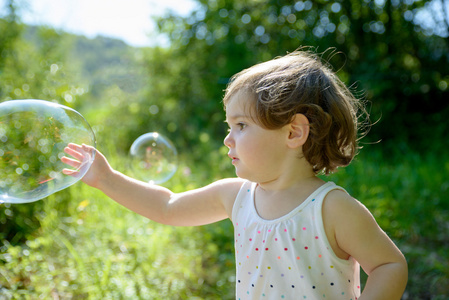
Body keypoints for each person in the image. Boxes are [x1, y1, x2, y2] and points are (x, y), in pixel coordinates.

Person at [62, 49, 408, 299]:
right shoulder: (236, 195)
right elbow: (167, 206)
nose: (227, 138)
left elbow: (389, 265)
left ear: (293, 133)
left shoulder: (331, 209)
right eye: (229, 125)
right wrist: (106, 178)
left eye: (241, 125)